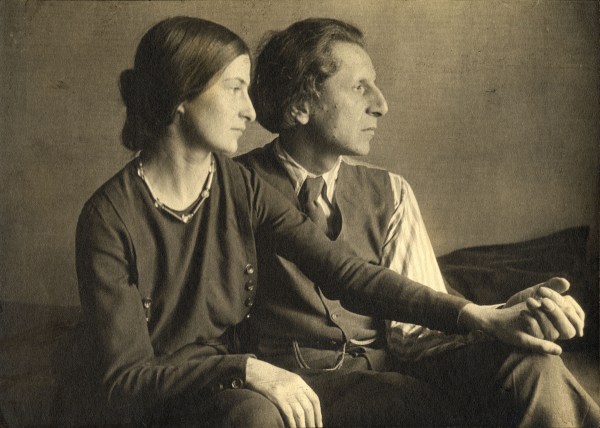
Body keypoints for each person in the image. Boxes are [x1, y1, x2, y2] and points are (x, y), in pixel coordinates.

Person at [236, 17, 600, 427]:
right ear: (300, 105)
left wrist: (501, 317)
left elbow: (412, 337)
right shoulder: (235, 186)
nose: (381, 104)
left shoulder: (391, 191)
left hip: (388, 378)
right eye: (359, 87)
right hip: (294, 392)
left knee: (534, 365)